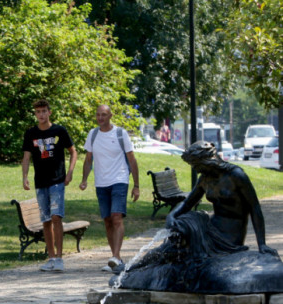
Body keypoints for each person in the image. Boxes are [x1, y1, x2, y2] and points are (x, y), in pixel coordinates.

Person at [119, 141, 281, 293]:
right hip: (211, 229)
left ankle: (132, 270)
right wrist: (172, 215)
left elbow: (255, 209)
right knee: (174, 240)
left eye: (197, 166)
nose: (196, 170)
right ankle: (132, 269)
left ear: (207, 160)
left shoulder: (236, 175)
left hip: (228, 239)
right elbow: (188, 203)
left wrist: (262, 244)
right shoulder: (205, 178)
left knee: (188, 226)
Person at [79, 104, 139, 273]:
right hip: (101, 182)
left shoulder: (121, 134)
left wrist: (136, 185)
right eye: (98, 115)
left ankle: (116, 256)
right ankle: (115, 258)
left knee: (116, 217)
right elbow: (88, 160)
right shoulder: (93, 134)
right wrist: (84, 179)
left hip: (119, 179)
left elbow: (132, 160)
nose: (100, 118)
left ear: (110, 115)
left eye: (104, 115)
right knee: (107, 220)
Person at [21, 99, 77, 272]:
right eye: (38, 112)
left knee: (56, 217)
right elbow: (26, 156)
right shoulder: (31, 133)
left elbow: (73, 151)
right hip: (41, 182)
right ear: (35, 114)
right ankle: (51, 257)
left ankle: (59, 257)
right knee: (45, 219)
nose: (41, 115)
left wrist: (70, 172)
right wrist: (24, 176)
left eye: (44, 111)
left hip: (57, 180)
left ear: (49, 112)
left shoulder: (59, 131)